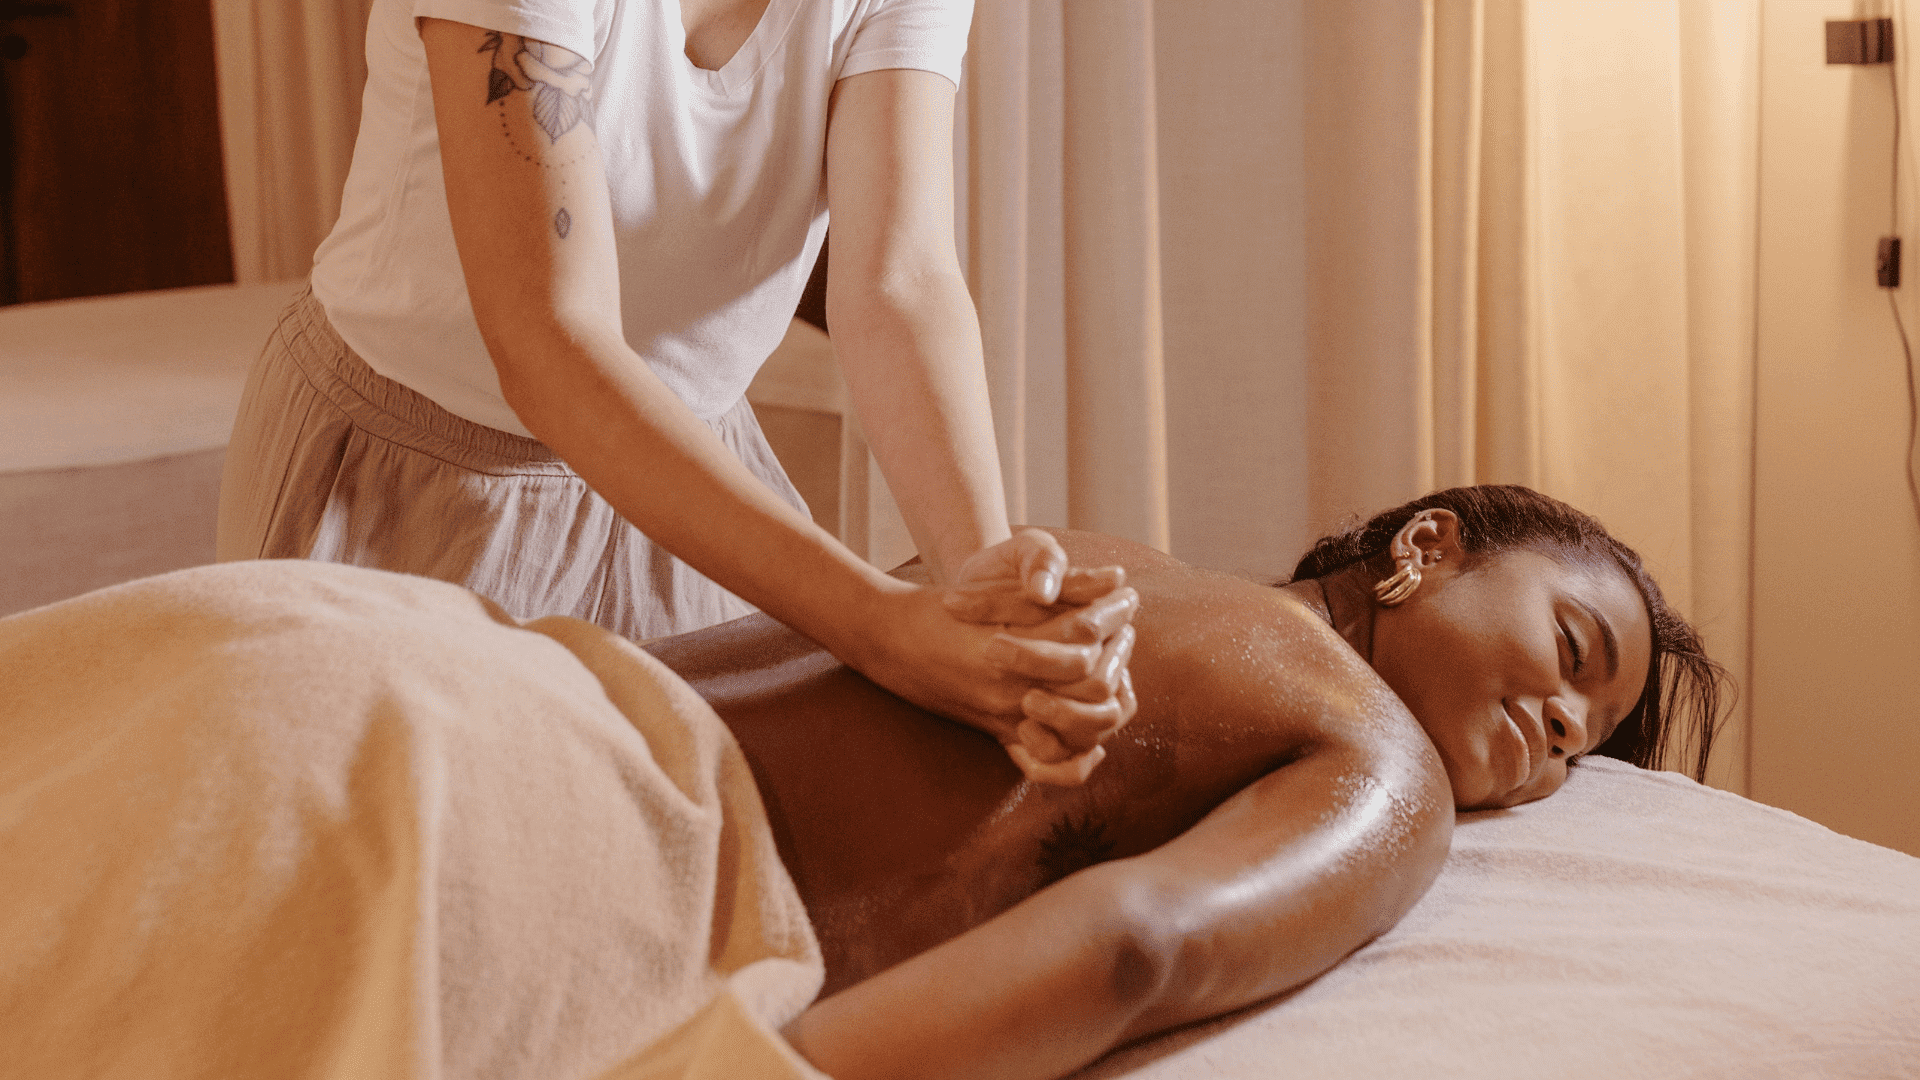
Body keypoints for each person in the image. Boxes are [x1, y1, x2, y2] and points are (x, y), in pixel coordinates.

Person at [1, 484, 1724, 1079]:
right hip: (519, 830)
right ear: (1427, 549)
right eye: (1575, 656)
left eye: (1590, 745)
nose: (1564, 734)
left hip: (390, 661)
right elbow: (1144, 950)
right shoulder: (1377, 764)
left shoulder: (1097, 552)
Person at [213, 0, 1134, 783]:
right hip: (413, 474)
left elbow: (899, 284)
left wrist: (988, 604)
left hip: (689, 480)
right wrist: (879, 626)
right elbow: (551, 339)